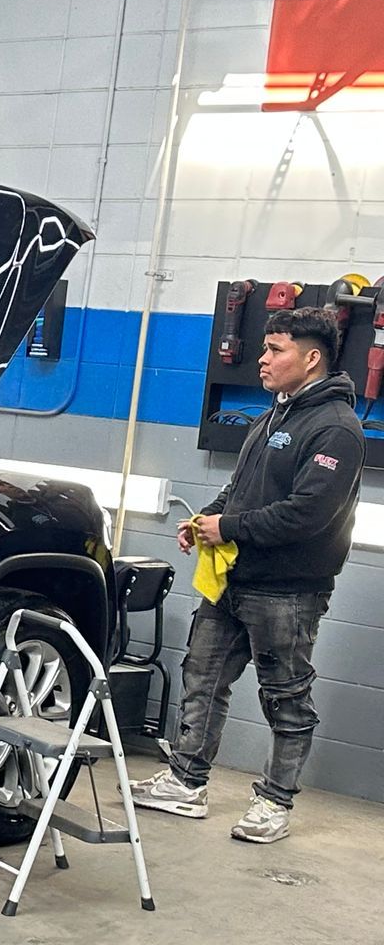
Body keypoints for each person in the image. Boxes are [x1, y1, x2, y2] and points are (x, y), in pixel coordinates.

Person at [130, 306, 364, 843]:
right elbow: (238, 490)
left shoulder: (336, 429)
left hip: (287, 591)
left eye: (275, 350)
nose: (262, 359)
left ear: (311, 358)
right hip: (233, 581)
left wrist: (228, 526)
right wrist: (204, 520)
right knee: (202, 678)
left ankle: (275, 803)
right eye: (263, 348)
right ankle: (187, 783)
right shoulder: (271, 417)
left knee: (285, 695)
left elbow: (308, 514)